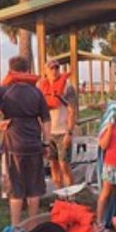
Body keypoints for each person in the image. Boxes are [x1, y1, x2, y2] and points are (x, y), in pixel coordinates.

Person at [0, 56, 51, 227]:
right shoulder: (37, 92)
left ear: (11, 71)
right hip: (34, 145)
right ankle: (32, 226)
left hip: (12, 145)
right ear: (27, 70)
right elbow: (46, 121)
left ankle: (15, 227)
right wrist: (46, 143)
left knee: (15, 190)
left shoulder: (4, 90)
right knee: (34, 190)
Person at [39, 59, 78, 189]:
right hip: (49, 134)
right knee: (53, 165)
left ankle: (71, 197)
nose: (54, 71)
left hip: (63, 132)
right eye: (51, 68)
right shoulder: (41, 87)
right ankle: (59, 195)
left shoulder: (67, 87)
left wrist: (69, 132)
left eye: (57, 68)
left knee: (64, 166)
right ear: (46, 71)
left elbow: (72, 111)